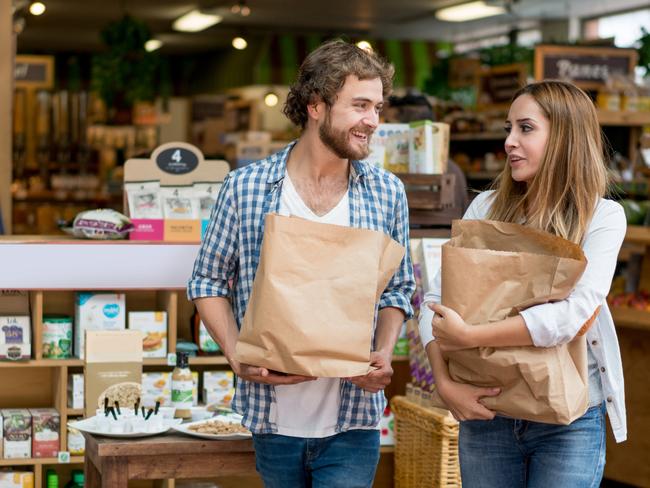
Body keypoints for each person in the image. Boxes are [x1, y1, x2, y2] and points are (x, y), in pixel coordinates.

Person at [188, 39, 415, 488]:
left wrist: (384, 355)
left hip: (353, 419)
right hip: (273, 419)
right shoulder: (247, 188)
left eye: (378, 107)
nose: (372, 120)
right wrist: (236, 356)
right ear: (316, 105)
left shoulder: (387, 193)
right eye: (360, 105)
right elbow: (207, 280)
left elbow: (397, 288)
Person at [419, 80, 627, 488]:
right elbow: (435, 300)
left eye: (525, 128)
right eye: (508, 129)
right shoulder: (486, 207)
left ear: (565, 137)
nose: (509, 142)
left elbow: (572, 316)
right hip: (489, 411)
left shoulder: (601, 218)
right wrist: (445, 384)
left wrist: (469, 335)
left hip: (567, 420)